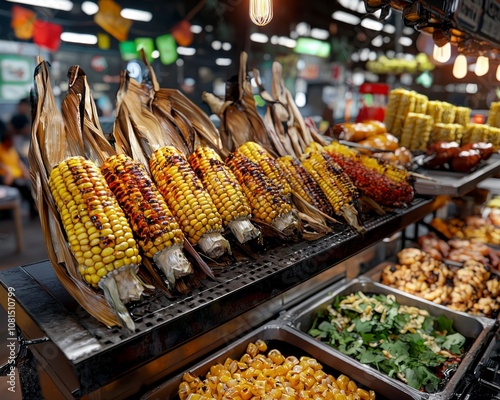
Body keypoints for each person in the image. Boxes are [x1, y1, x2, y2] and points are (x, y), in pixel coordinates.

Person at [0, 121, 37, 218]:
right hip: (7, 177)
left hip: (17, 175)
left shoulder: (12, 149)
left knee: (30, 188)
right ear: (5, 141)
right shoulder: (1, 149)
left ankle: (33, 211)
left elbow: (18, 162)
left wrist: (26, 172)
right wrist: (7, 170)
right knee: (24, 188)